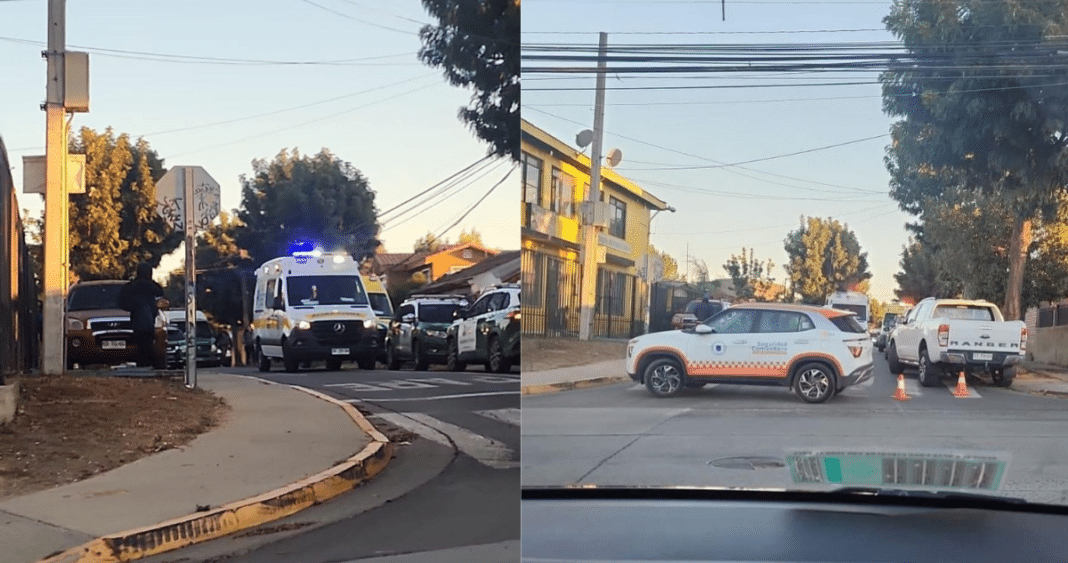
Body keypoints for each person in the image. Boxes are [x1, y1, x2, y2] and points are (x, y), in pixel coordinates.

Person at [118, 262, 166, 368]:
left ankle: (142, 362)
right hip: (148, 319)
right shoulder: (150, 285)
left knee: (140, 342)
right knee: (148, 341)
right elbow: (160, 291)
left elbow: (122, 301)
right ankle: (146, 362)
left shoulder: (132, 285)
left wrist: (131, 307)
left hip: (136, 319)